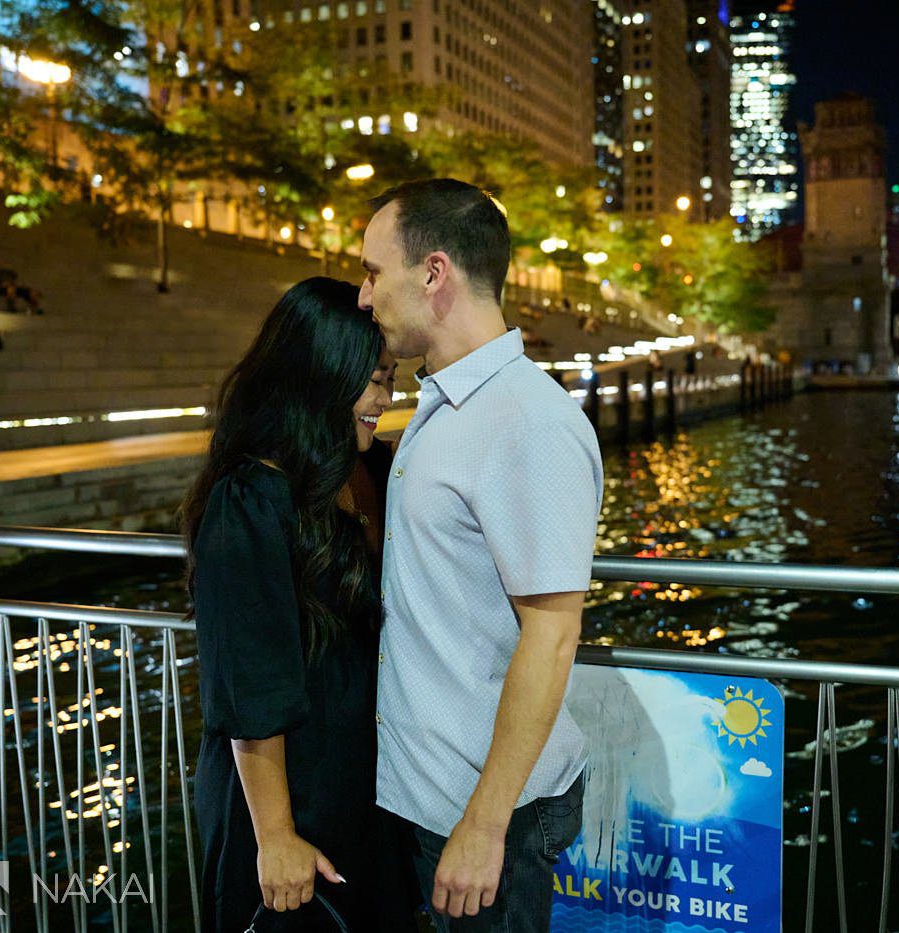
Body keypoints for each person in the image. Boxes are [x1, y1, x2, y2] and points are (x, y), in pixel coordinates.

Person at [358, 179, 604, 932]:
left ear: (434, 273)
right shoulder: (447, 408)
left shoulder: (527, 421)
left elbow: (554, 632)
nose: (364, 297)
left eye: (373, 271)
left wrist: (484, 824)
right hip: (427, 795)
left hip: (484, 815)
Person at [181, 276, 412, 932]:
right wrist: (276, 835)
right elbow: (250, 682)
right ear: (320, 375)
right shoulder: (251, 500)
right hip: (282, 800)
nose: (384, 399)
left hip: (353, 787)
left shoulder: (356, 475)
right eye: (373, 379)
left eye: (390, 379)